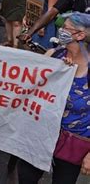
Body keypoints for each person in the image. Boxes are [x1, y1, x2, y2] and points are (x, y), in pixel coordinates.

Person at [17, 12, 90, 184]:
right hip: (40, 134)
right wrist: (55, 71)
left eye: (65, 28)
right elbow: (30, 86)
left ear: (80, 35)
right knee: (26, 176)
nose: (60, 30)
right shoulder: (52, 54)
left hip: (72, 142)